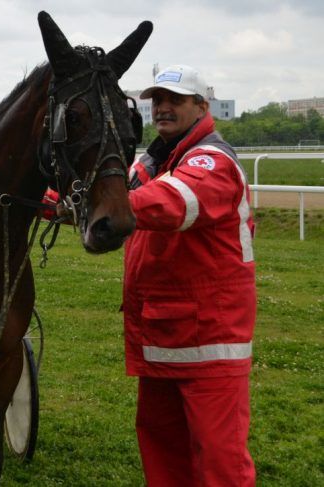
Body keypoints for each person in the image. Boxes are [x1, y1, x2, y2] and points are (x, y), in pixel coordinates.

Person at [123, 65, 256, 485]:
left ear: (202, 106)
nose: (162, 108)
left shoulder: (210, 159)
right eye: (157, 101)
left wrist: (102, 205)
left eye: (175, 100)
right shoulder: (159, 159)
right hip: (164, 334)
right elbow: (115, 197)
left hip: (208, 339)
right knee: (164, 452)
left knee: (219, 462)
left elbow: (172, 204)